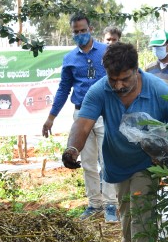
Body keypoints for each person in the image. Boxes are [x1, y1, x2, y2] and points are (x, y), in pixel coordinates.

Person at [62, 43, 168, 242]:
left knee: (141, 210)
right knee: (126, 208)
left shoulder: (159, 90)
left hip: (147, 162)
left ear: (136, 70)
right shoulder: (100, 90)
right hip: (117, 162)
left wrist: (164, 153)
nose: (118, 86)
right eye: (113, 79)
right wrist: (72, 149)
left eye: (125, 79)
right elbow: (83, 123)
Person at [43, 14, 118, 222]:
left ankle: (111, 205)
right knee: (87, 162)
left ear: (90, 29)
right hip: (82, 114)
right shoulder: (69, 59)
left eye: (83, 30)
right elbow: (63, 89)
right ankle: (94, 204)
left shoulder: (106, 52)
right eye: (76, 32)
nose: (80, 34)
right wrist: (51, 117)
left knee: (107, 160)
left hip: (104, 113)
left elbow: (118, 79)